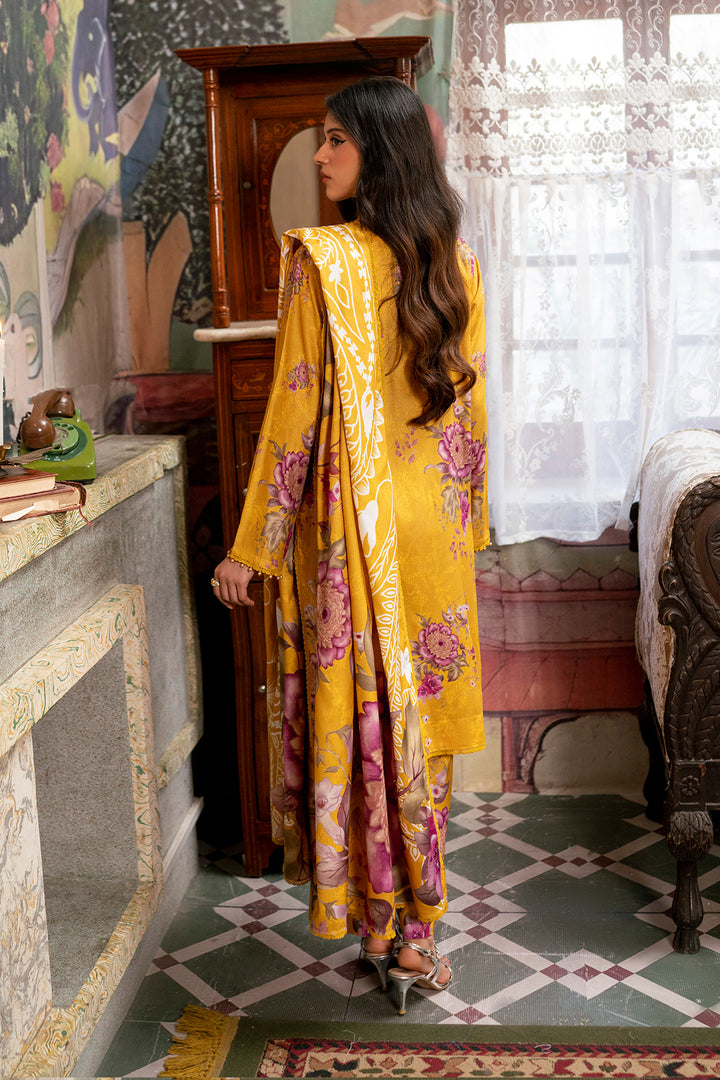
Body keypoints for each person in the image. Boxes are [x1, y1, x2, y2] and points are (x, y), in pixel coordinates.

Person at [212, 75, 489, 1014]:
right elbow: (469, 417)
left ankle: (381, 926)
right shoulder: (457, 262)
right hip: (434, 538)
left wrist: (251, 548)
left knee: (366, 724)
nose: (321, 155)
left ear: (380, 152)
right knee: (418, 738)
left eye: (336, 139)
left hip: (353, 539)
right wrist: (470, 527)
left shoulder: (319, 261)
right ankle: (415, 936)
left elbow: (293, 412)